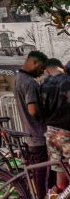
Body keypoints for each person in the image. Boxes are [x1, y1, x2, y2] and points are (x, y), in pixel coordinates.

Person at [15, 50, 49, 197]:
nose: (41, 72)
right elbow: (33, 110)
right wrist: (48, 117)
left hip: (31, 136)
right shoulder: (30, 83)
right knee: (43, 179)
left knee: (37, 177)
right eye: (41, 68)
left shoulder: (18, 78)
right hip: (38, 136)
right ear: (33, 62)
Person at [40, 58, 70, 192]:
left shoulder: (43, 84)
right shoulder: (67, 80)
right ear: (62, 67)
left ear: (47, 70)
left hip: (51, 133)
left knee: (59, 169)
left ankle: (57, 194)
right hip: (67, 133)